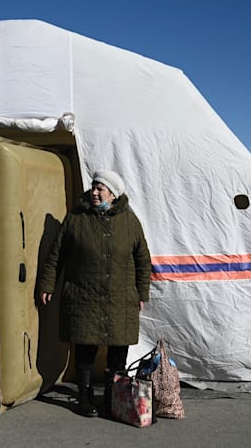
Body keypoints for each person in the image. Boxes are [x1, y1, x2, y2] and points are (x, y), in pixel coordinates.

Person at [38, 170, 152, 417]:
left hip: (120, 298)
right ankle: (84, 397)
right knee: (85, 349)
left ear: (113, 194)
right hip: (84, 294)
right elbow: (57, 254)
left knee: (118, 351)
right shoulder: (76, 218)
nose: (95, 192)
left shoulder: (130, 222)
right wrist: (48, 284)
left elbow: (142, 260)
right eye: (94, 187)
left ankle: (115, 398)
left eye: (101, 188)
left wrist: (142, 292)